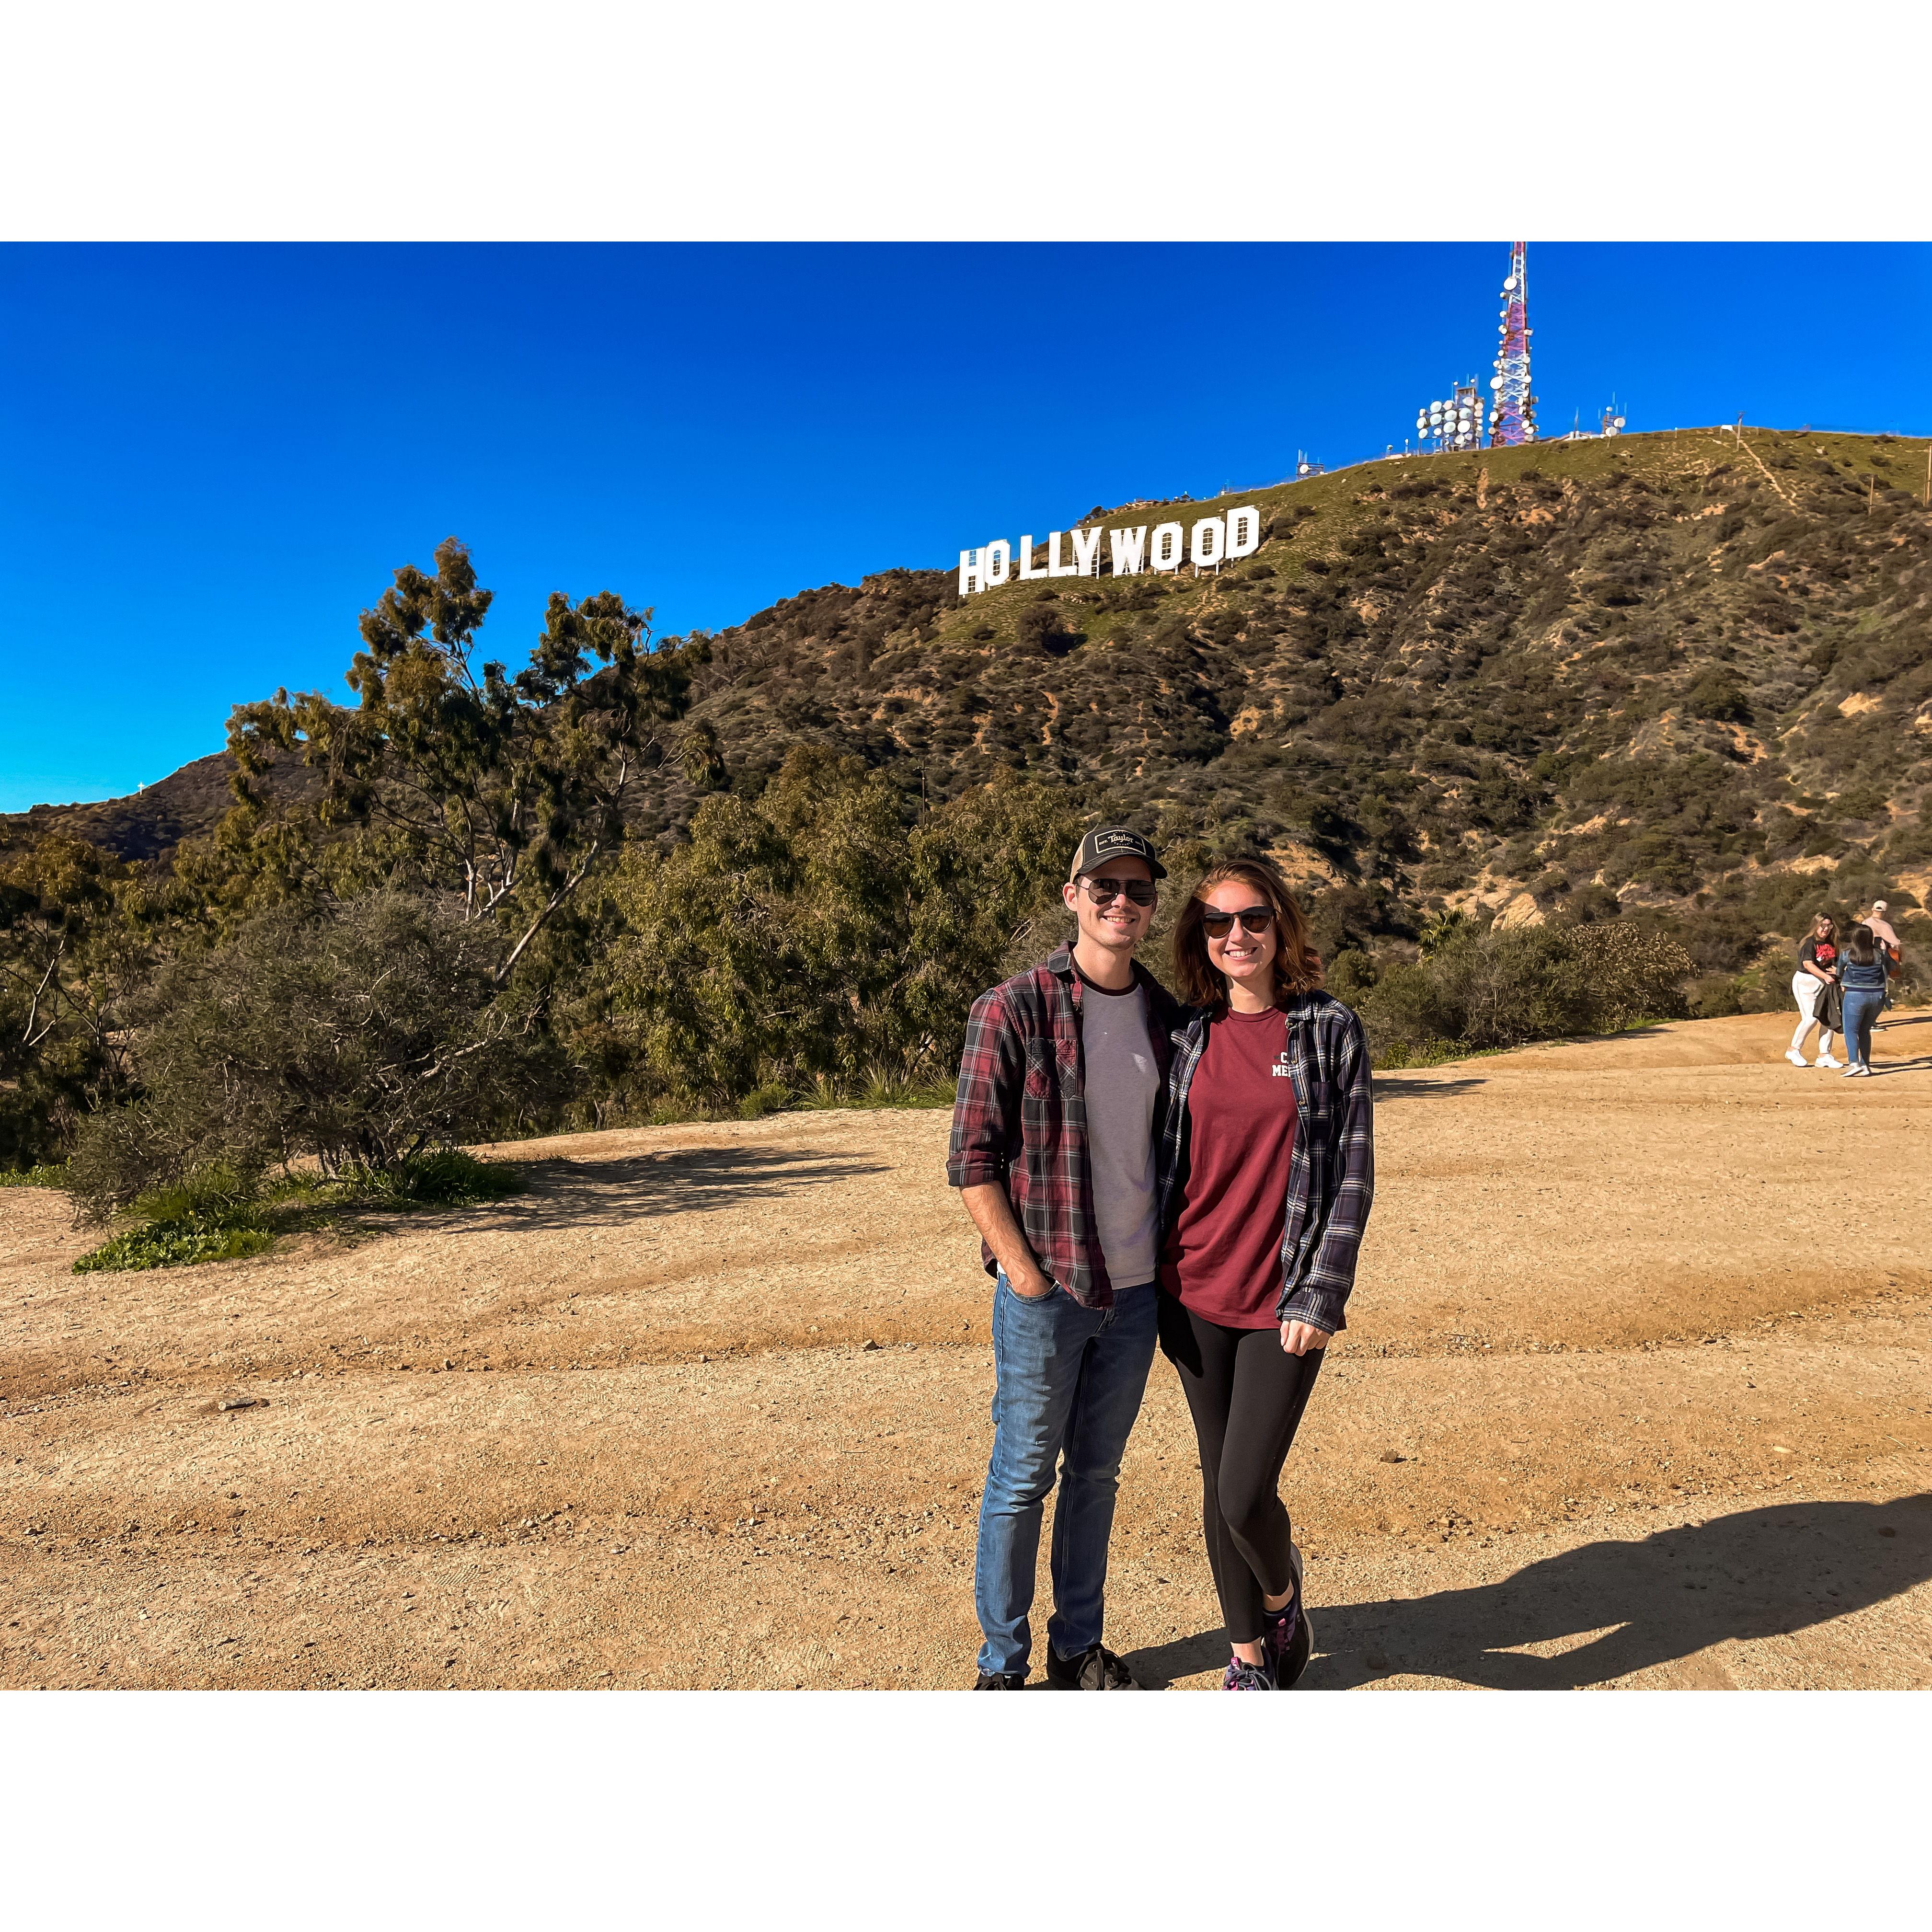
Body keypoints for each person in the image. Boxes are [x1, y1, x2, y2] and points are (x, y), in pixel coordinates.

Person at [947, 826, 1186, 1690]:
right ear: (1071, 893)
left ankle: (1075, 1644)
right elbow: (971, 1158)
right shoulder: (1011, 1008)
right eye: (1105, 885)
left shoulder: (1168, 1019)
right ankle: (1001, 1666)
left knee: (1095, 1473)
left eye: (1138, 888)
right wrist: (1022, 1269)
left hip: (1136, 1295)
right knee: (1020, 1476)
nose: (1122, 901)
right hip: (1047, 1290)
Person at [1155, 856, 1374, 1690]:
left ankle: (1283, 1599)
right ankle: (1248, 1656)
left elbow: (1352, 1171)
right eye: (1216, 922)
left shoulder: (1324, 1026)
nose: (1235, 935)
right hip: (1191, 1294)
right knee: (1217, 1486)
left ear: (1279, 925)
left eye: (1251, 918)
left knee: (1246, 1490)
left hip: (1282, 1299)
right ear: (1199, 936)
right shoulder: (1184, 1034)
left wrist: (1323, 1289)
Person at [1786, 915, 1841, 1069]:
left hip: (1826, 983)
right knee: (1810, 1018)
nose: (1825, 929)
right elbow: (1808, 964)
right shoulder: (1809, 943)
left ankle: (1825, 1055)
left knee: (1828, 1017)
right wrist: (1825, 976)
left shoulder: (1831, 943)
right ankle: (1793, 1049)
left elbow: (1835, 962)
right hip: (1806, 982)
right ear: (1815, 925)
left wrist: (1838, 972)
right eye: (1822, 925)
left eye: (1829, 926)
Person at [1838, 924, 1888, 1078]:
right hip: (1877, 997)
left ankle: (1854, 1063)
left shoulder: (1847, 955)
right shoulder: (1880, 955)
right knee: (1865, 1031)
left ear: (1854, 938)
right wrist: (1885, 950)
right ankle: (1865, 1065)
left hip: (1855, 996)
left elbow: (1839, 972)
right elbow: (1890, 969)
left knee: (1851, 1031)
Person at [1865, 901, 1903, 1011]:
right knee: (1881, 987)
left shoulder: (1865, 922)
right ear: (1885, 912)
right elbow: (1896, 945)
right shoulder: (1885, 925)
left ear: (1873, 909)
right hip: (1879, 957)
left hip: (1864, 958)